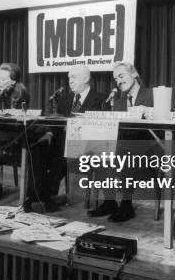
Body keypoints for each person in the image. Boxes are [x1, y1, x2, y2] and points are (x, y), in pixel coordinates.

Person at [25, 65, 107, 213]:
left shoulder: (101, 99)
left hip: (86, 146)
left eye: (74, 77)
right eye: (69, 77)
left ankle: (42, 197)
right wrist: (49, 133)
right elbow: (57, 123)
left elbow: (101, 130)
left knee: (61, 158)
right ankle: (37, 196)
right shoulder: (65, 99)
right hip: (61, 143)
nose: (70, 81)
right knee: (36, 149)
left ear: (86, 79)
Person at [88, 61, 158, 222]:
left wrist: (149, 112)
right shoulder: (118, 102)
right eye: (115, 79)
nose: (118, 81)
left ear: (134, 74)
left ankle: (126, 205)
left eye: (121, 76)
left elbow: (165, 119)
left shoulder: (152, 95)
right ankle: (110, 202)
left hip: (150, 149)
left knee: (127, 150)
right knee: (99, 153)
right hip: (125, 147)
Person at [0, 63, 30, 198]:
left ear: (14, 80)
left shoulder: (20, 92)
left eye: (3, 79)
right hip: (0, 134)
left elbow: (15, 120)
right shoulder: (0, 94)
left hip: (15, 135)